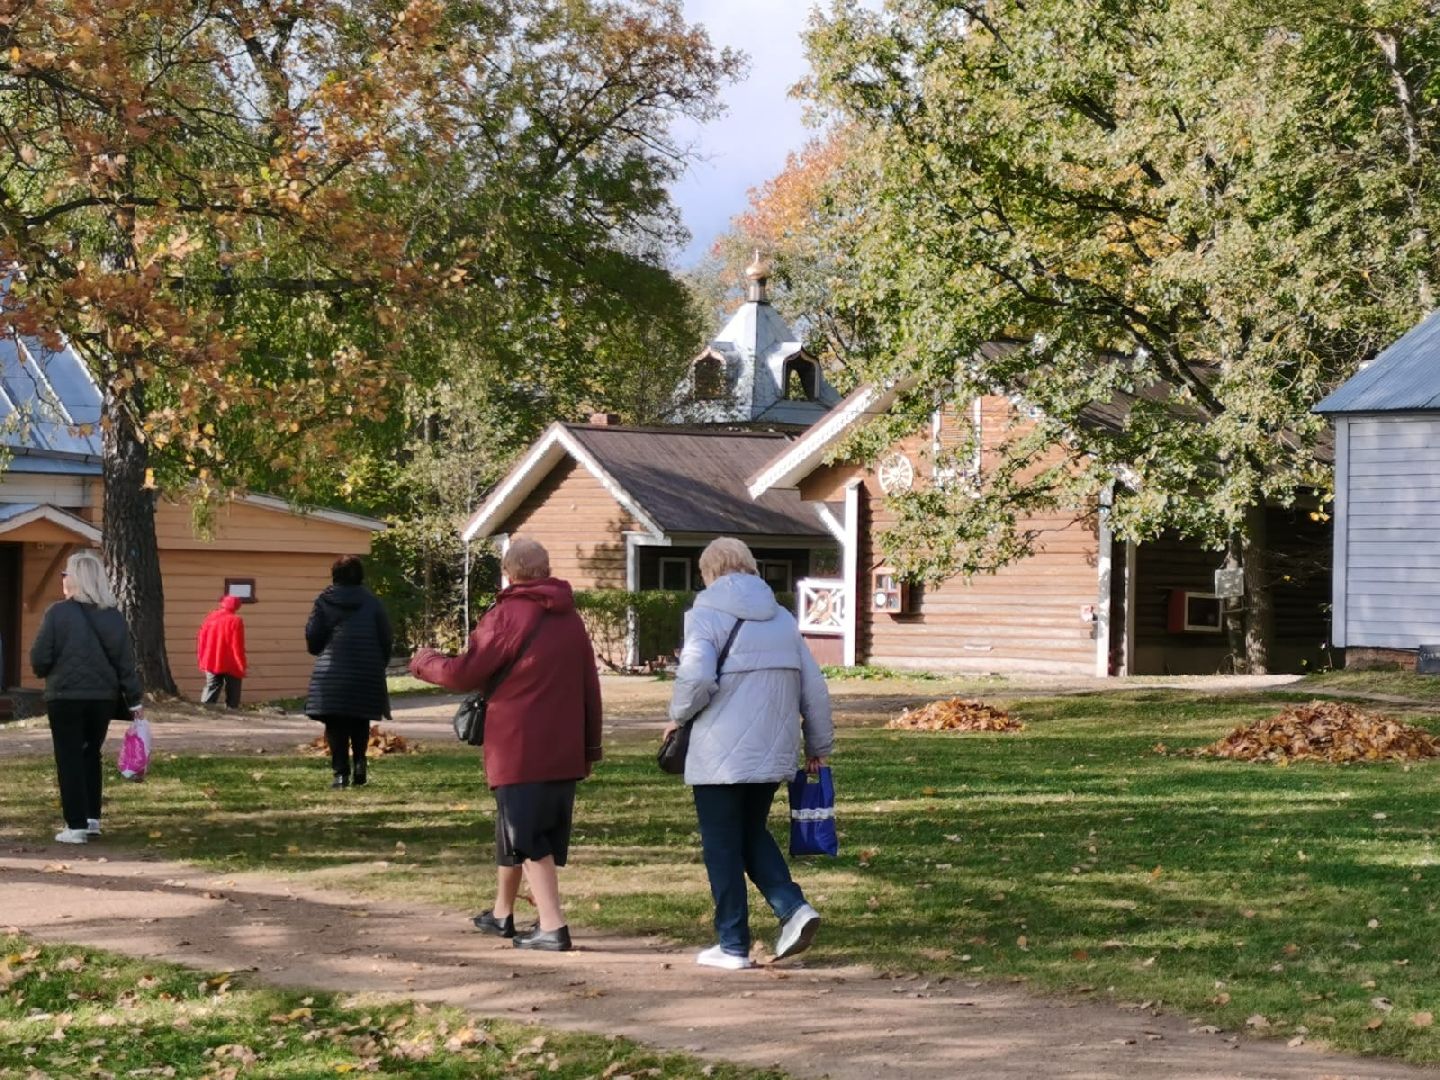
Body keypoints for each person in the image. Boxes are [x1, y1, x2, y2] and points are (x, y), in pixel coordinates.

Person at [409, 537, 603, 953]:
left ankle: (552, 926)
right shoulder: (571, 618)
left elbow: (465, 674)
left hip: (519, 744)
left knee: (528, 835)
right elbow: (590, 684)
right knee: (512, 828)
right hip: (563, 744)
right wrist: (590, 748)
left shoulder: (506, 615)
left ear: (509, 573)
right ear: (547, 569)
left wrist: (424, 662)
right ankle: (502, 914)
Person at [663, 537, 833, 971]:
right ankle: (793, 910)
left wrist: (677, 715)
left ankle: (733, 942)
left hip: (719, 750)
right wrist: (818, 745)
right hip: (773, 748)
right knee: (750, 833)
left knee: (721, 844)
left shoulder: (704, 614)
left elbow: (696, 678)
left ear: (709, 572)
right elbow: (814, 688)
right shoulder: (782, 618)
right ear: (749, 567)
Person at [29, 550, 144, 844]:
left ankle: (75, 824)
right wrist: (134, 700)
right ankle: (92, 818)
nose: (63, 578)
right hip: (102, 698)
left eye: (65, 573)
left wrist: (49, 668)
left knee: (68, 758)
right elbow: (124, 662)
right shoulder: (113, 616)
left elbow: (40, 658)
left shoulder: (57, 613)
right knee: (90, 754)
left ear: (76, 579)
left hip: (65, 696)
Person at [305, 555, 392, 789]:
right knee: (359, 720)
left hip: (331, 673)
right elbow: (386, 638)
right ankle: (361, 763)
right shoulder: (373, 602)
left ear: (335, 576)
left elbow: (313, 640)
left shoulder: (323, 602)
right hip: (365, 670)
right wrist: (377, 664)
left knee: (335, 724)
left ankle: (340, 774)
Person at [196, 595, 247, 708]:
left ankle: (205, 709)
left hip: (211, 659)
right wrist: (241, 664)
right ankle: (232, 710)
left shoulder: (210, 618)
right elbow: (237, 645)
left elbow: (201, 640)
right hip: (230, 661)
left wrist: (202, 658)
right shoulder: (236, 620)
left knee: (211, 685)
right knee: (233, 687)